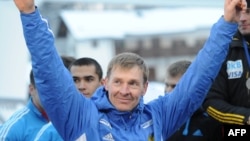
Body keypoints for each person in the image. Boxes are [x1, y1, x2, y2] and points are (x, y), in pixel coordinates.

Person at [13, 0, 245, 140]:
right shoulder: (81, 116)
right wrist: (29, 14)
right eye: (118, 82)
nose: (125, 90)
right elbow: (49, 70)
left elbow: (199, 77)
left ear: (145, 87)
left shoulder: (159, 116)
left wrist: (226, 24)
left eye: (133, 83)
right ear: (105, 83)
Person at [203, 0, 250, 135]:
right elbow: (210, 102)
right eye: (238, 12)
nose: (242, 18)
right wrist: (245, 118)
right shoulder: (223, 50)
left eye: (248, 12)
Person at [34, 57, 103, 141]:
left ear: (102, 83)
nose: (81, 86)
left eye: (88, 79)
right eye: (75, 80)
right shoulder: (52, 131)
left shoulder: (114, 120)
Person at [165, 60, 222, 141]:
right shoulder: (159, 118)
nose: (168, 90)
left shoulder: (212, 119)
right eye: (166, 85)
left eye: (174, 86)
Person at [0, 70, 49, 140]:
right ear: (31, 89)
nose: (51, 95)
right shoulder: (16, 127)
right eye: (45, 89)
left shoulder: (63, 121)